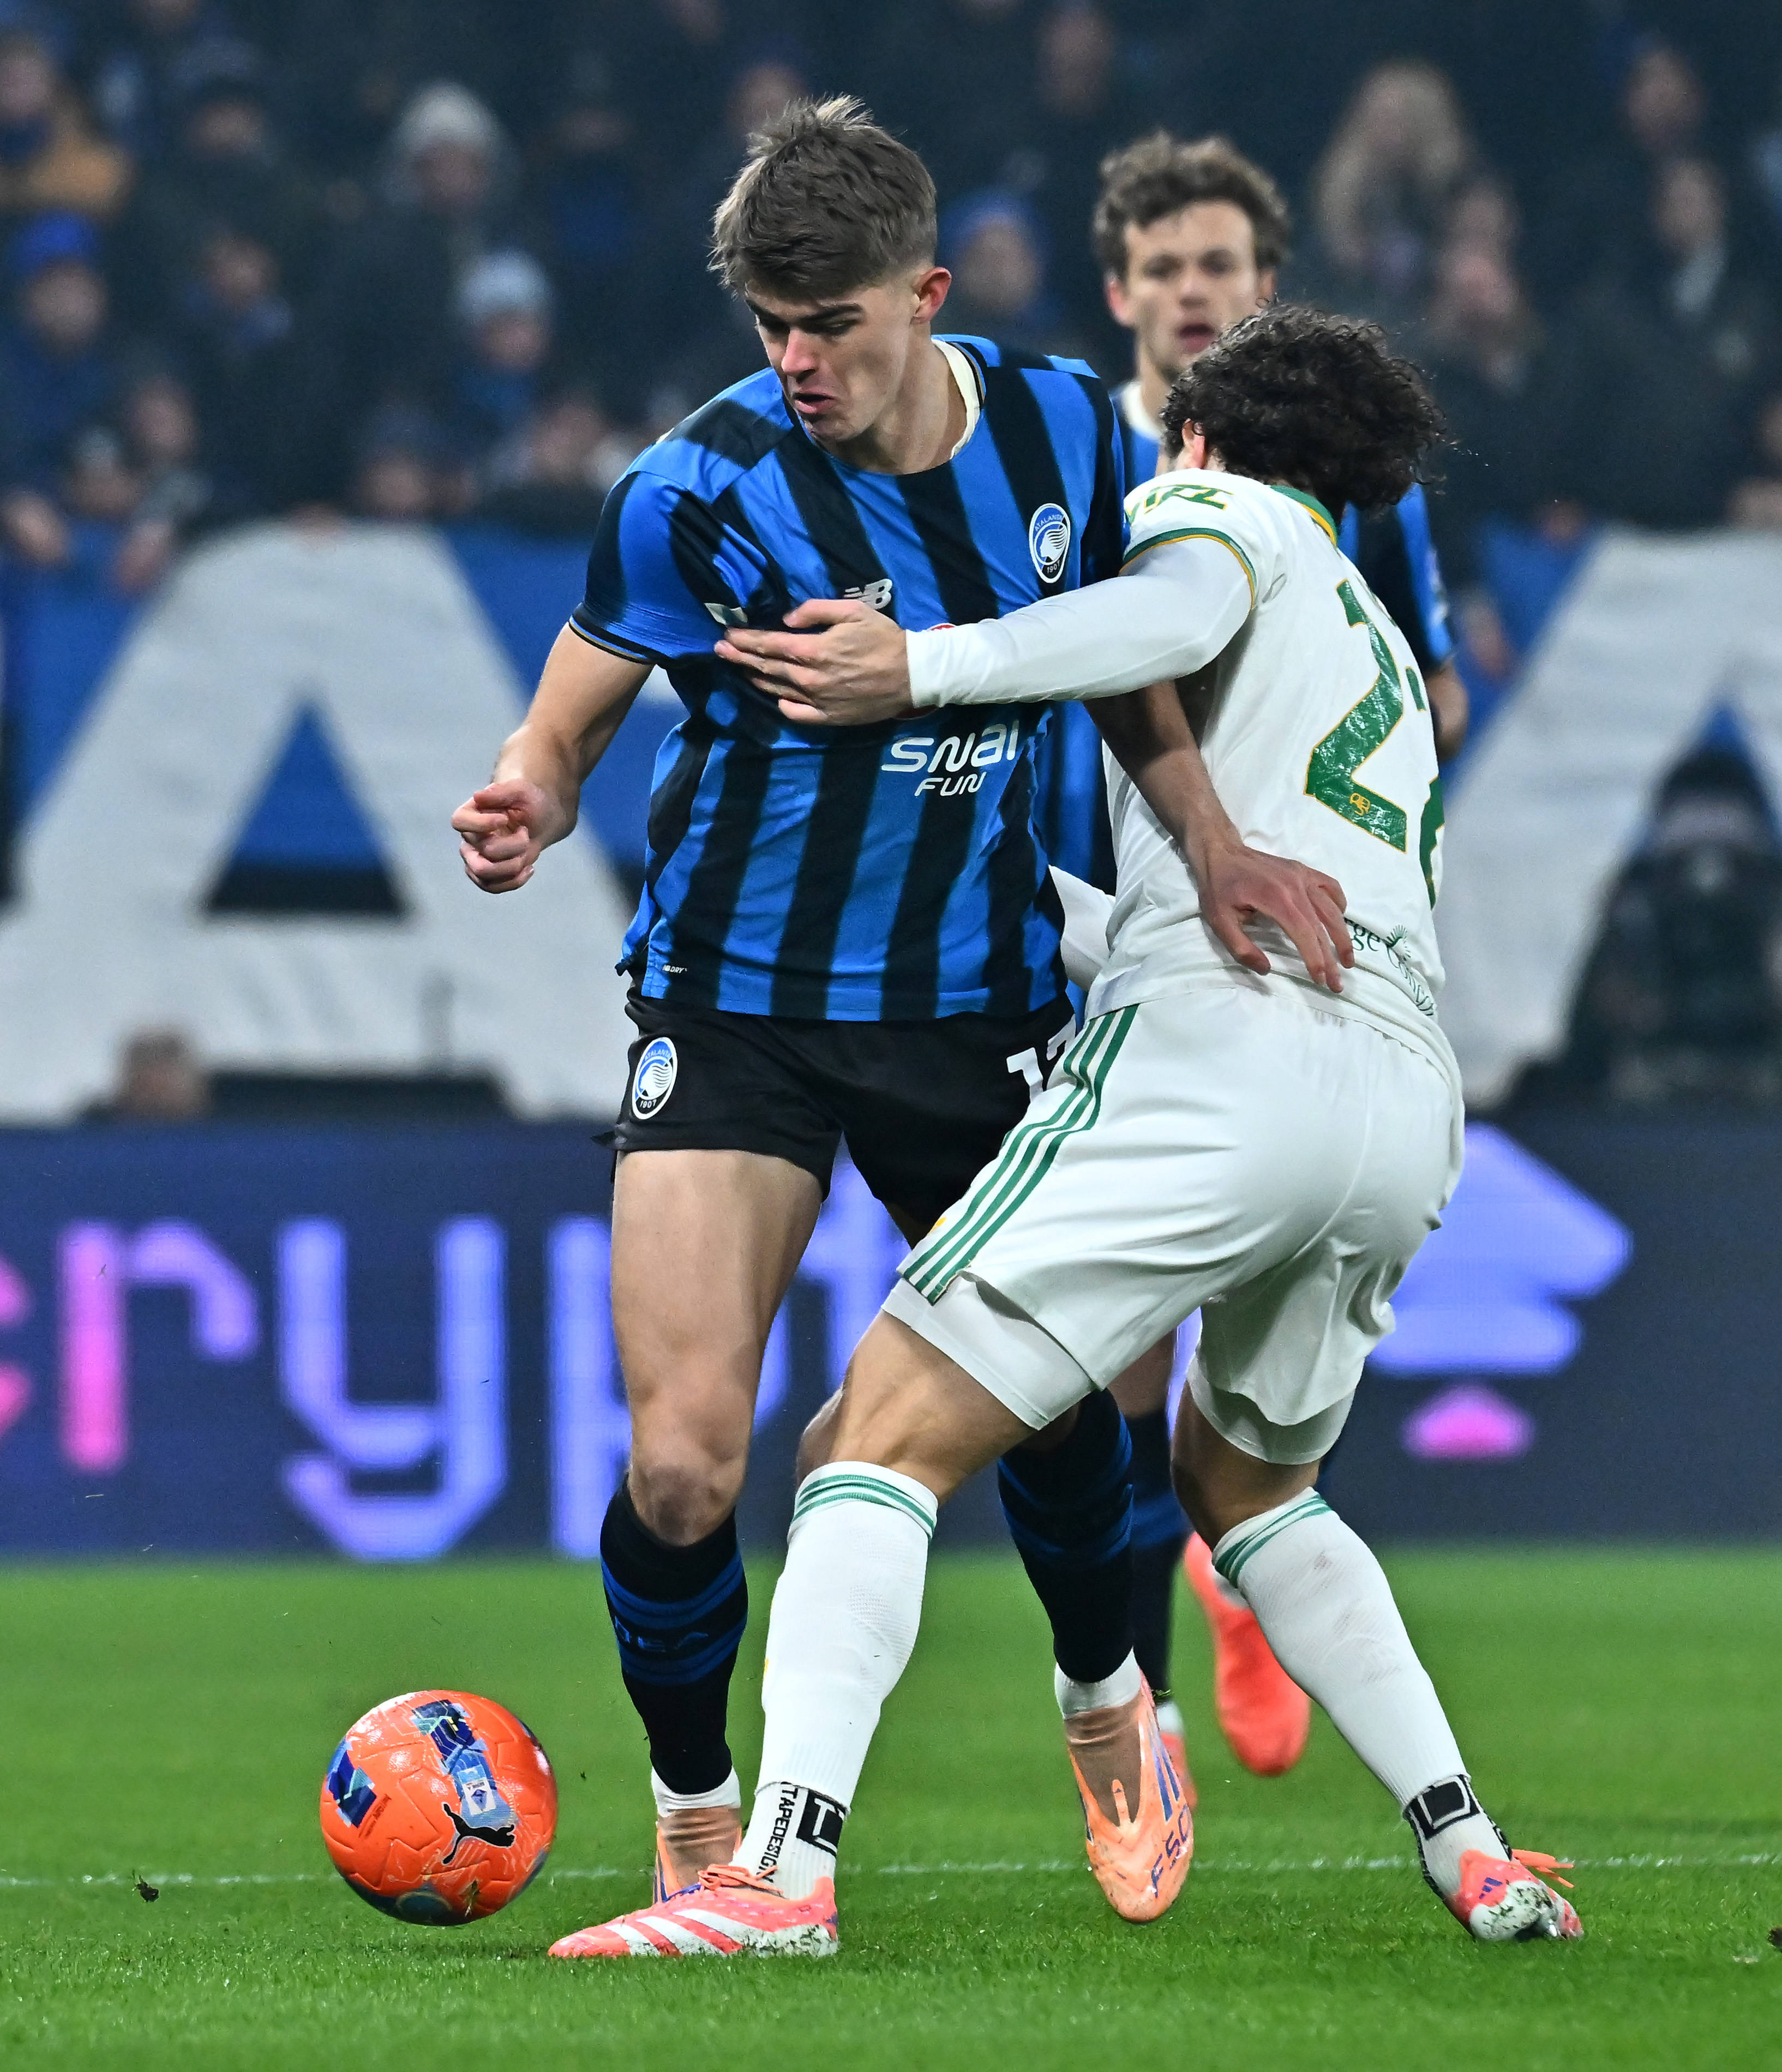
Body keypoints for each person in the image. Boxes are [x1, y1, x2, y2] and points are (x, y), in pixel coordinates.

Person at [561, 305, 1585, 1959]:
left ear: (1196, 437)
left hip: (1228, 1069)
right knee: (1250, 1490)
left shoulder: (1206, 515)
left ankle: (782, 1875)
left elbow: (1153, 618)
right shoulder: (1378, 645)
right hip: (1399, 1101)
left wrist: (919, 667)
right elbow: (1197, 905)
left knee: (866, 1444)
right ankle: (1471, 1849)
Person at [455, 97, 1309, 1929]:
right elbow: (582, 689)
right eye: (770, 326)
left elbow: (1128, 673)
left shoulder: (1068, 430)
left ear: (924, 297)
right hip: (735, 1005)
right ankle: (701, 1817)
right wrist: (529, 784)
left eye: (831, 324)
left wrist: (1215, 842)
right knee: (683, 1465)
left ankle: (1106, 1696)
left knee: (1060, 1409)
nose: (797, 361)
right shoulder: (697, 485)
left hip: (972, 998)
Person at [1034, 128, 1472, 1795]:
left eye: (1217, 265)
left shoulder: (1326, 484)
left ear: (1261, 282)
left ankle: (1224, 1573)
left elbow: (1424, 684)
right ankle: (1158, 1673)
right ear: (1119, 293)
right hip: (1112, 898)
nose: (1190, 291)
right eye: (1162, 269)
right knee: (1122, 1359)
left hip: (1282, 918)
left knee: (1225, 1289)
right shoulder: (1078, 453)